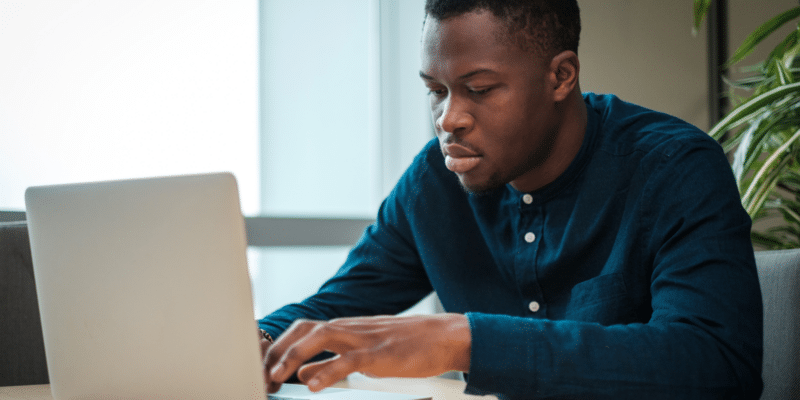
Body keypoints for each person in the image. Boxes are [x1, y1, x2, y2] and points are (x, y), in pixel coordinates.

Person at [259, 1, 764, 398]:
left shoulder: (674, 167)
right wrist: (256, 342)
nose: (447, 118)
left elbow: (716, 362)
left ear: (561, 76)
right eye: (436, 90)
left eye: (478, 89)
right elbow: (333, 309)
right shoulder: (434, 181)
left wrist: (464, 341)